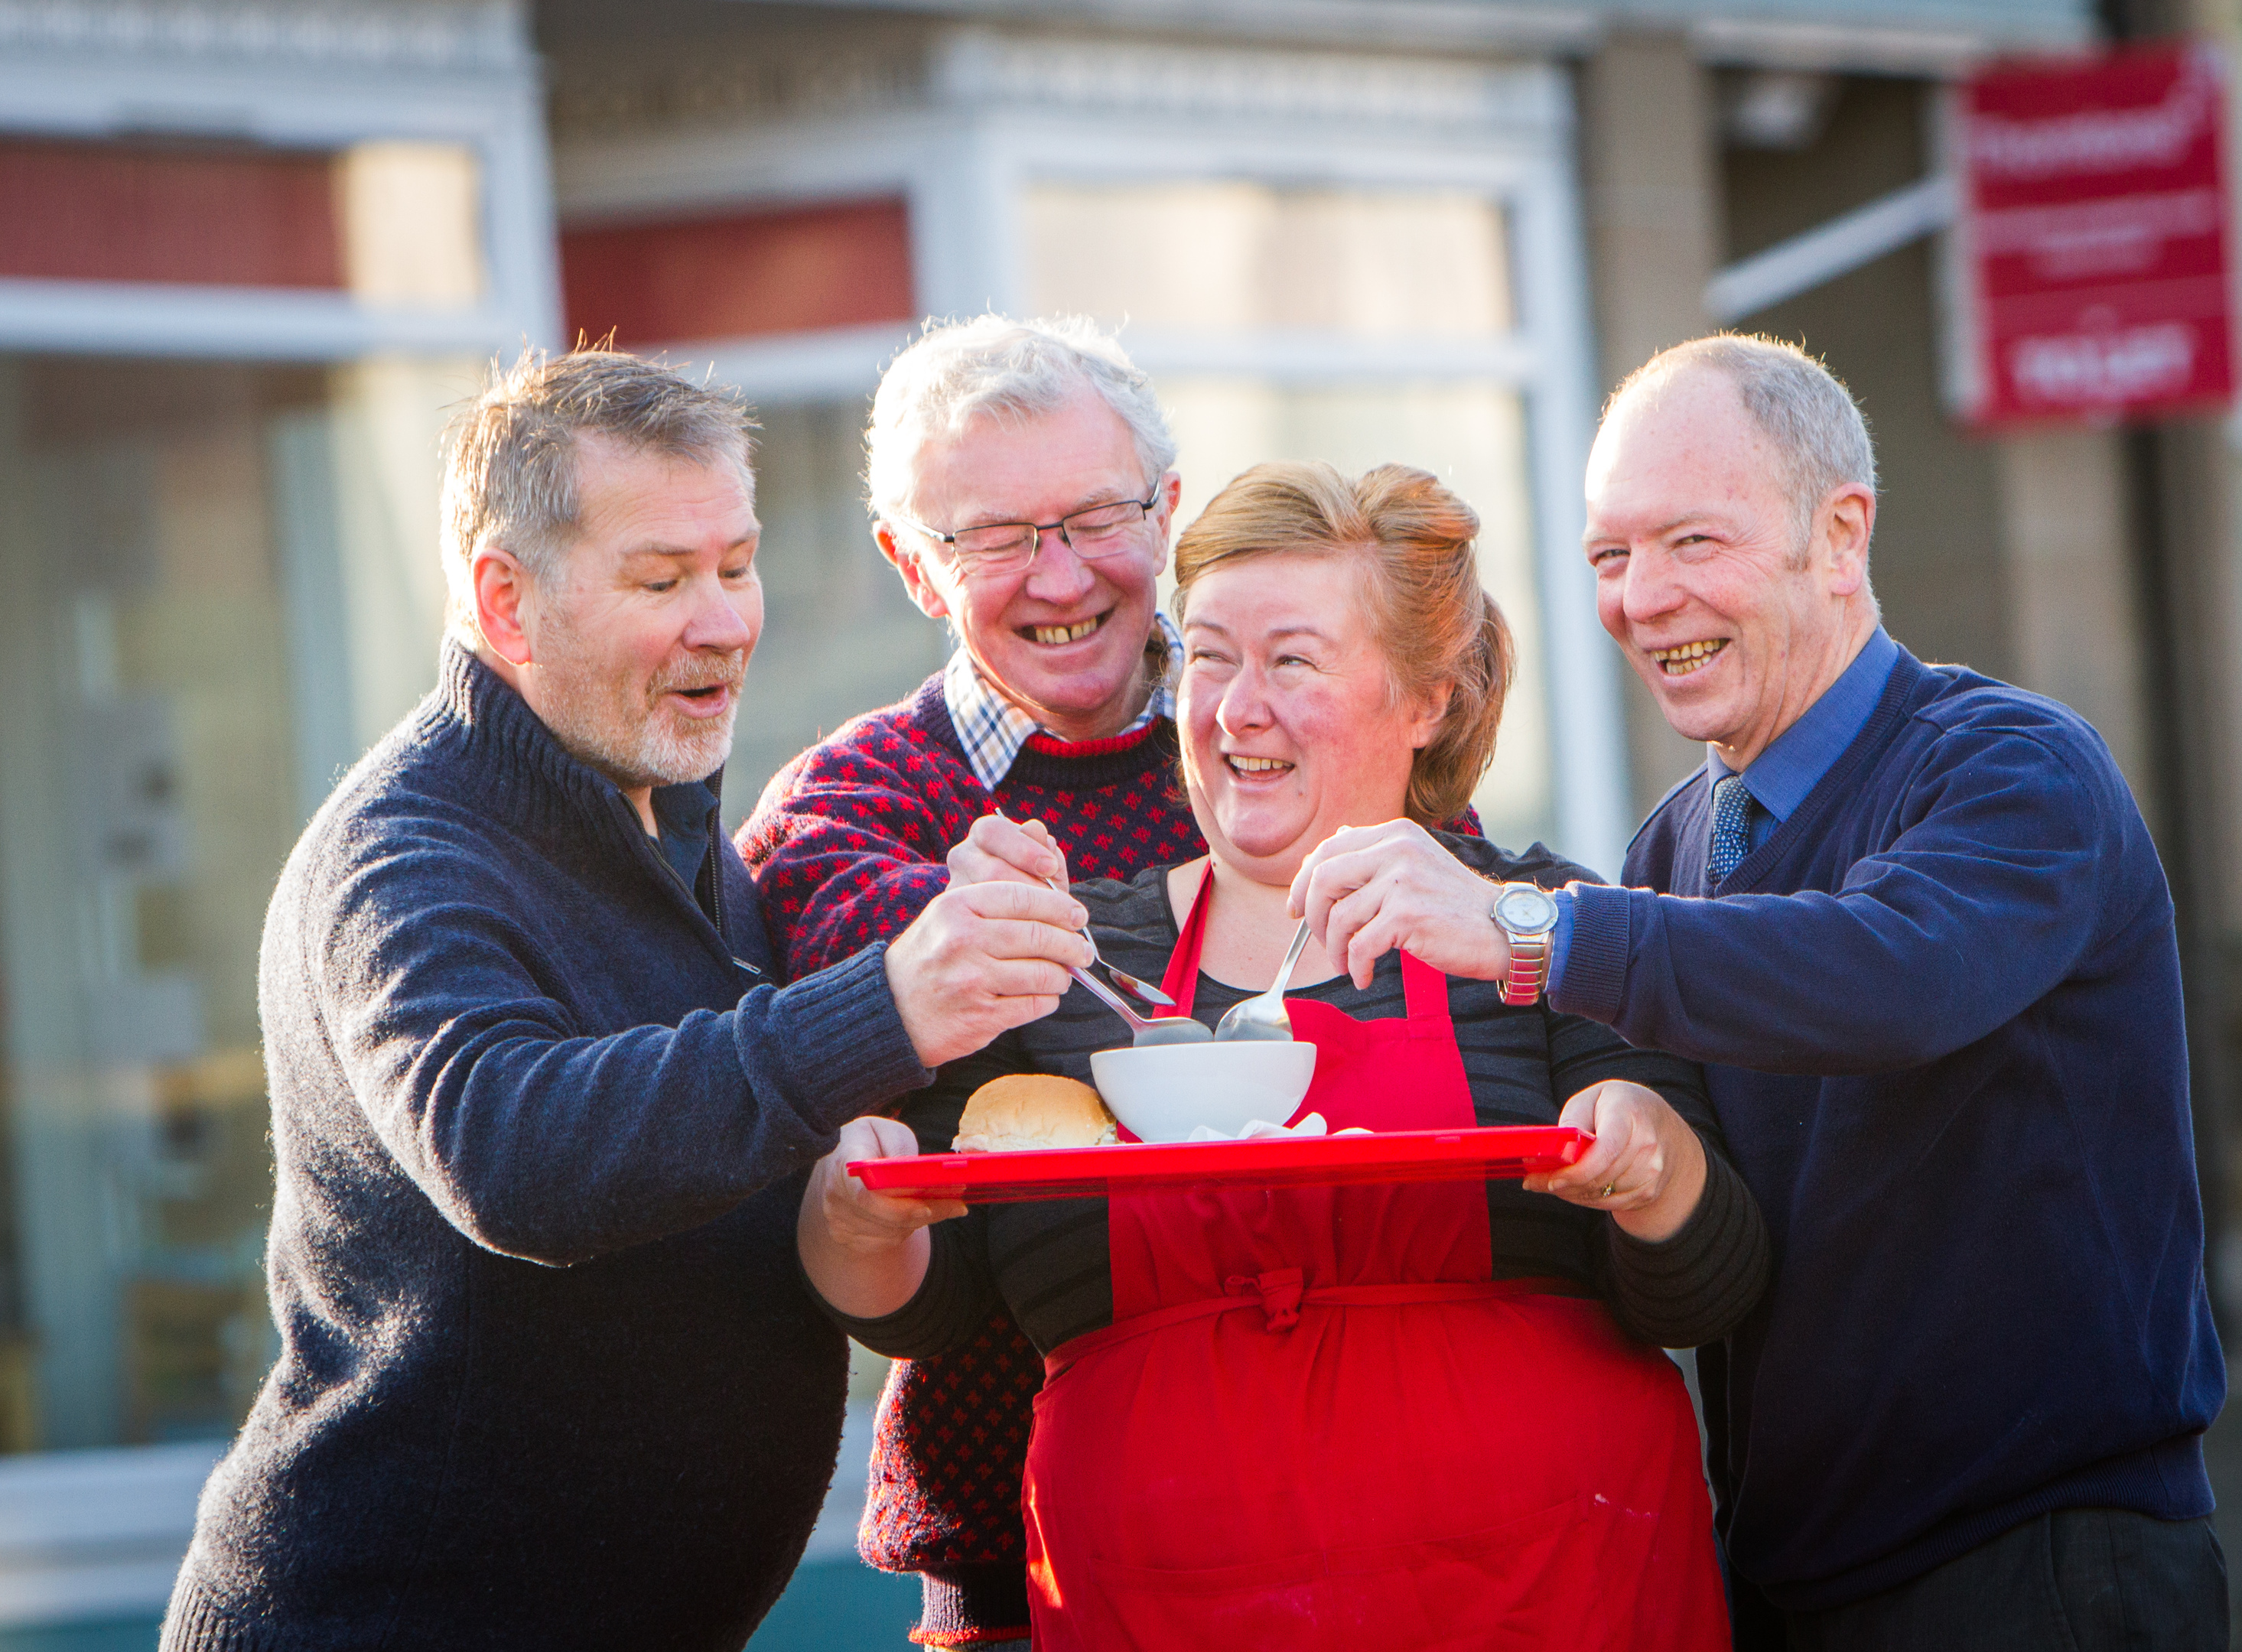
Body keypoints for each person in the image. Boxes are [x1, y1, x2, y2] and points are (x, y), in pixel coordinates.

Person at [1291, 335, 2230, 1650]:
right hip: (1790, 1578)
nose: (1642, 598)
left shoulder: (2016, 768)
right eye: (1610, 558)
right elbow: (1702, 1229)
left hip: (2033, 1568)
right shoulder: (1671, 852)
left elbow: (1893, 973)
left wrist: (1522, 927)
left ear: (1840, 536)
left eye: (1692, 543)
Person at [166, 350, 1093, 1650]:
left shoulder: (676, 825)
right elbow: (515, 1155)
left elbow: (743, 1109)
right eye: (661, 580)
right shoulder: (404, 859)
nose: (722, 619)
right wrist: (884, 1005)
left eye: (736, 564)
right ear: (507, 605)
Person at [802, 461, 1769, 1650]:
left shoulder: (1543, 931)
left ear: (1428, 699)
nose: (1234, 708)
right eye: (1207, 658)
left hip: (1549, 1591)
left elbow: (1710, 1284)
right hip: (1159, 1606)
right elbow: (927, 1311)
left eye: (1293, 661)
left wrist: (1656, 1169)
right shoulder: (1059, 963)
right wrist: (851, 1218)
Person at [735, 314, 1209, 1648]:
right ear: (911, 567)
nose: (1059, 576)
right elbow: (897, 976)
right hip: (1020, 1572)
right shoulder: (850, 801)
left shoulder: (1287, 737)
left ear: (1167, 510)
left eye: (1096, 518)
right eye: (994, 538)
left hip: (1344, 1509)